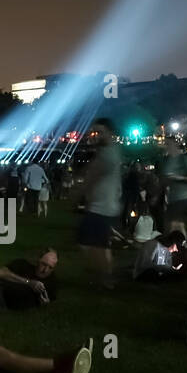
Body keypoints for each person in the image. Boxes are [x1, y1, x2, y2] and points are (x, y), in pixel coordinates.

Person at [78, 118, 123, 288]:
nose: (95, 135)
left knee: (88, 243)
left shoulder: (107, 155)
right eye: (94, 132)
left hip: (101, 208)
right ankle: (105, 275)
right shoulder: (112, 151)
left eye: (99, 132)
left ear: (109, 133)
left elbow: (90, 179)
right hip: (105, 206)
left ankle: (105, 276)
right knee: (101, 245)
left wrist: (77, 195)